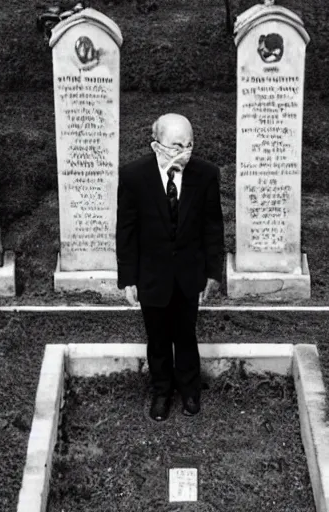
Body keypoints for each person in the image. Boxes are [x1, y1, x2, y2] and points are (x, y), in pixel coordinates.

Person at [116, 113, 225, 422]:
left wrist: (212, 273)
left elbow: (212, 228)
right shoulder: (134, 176)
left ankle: (190, 390)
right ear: (156, 145)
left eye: (189, 144)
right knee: (158, 338)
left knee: (186, 334)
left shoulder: (204, 175)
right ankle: (162, 390)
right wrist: (128, 277)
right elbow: (126, 230)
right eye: (177, 145)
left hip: (189, 273)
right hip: (152, 274)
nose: (185, 151)